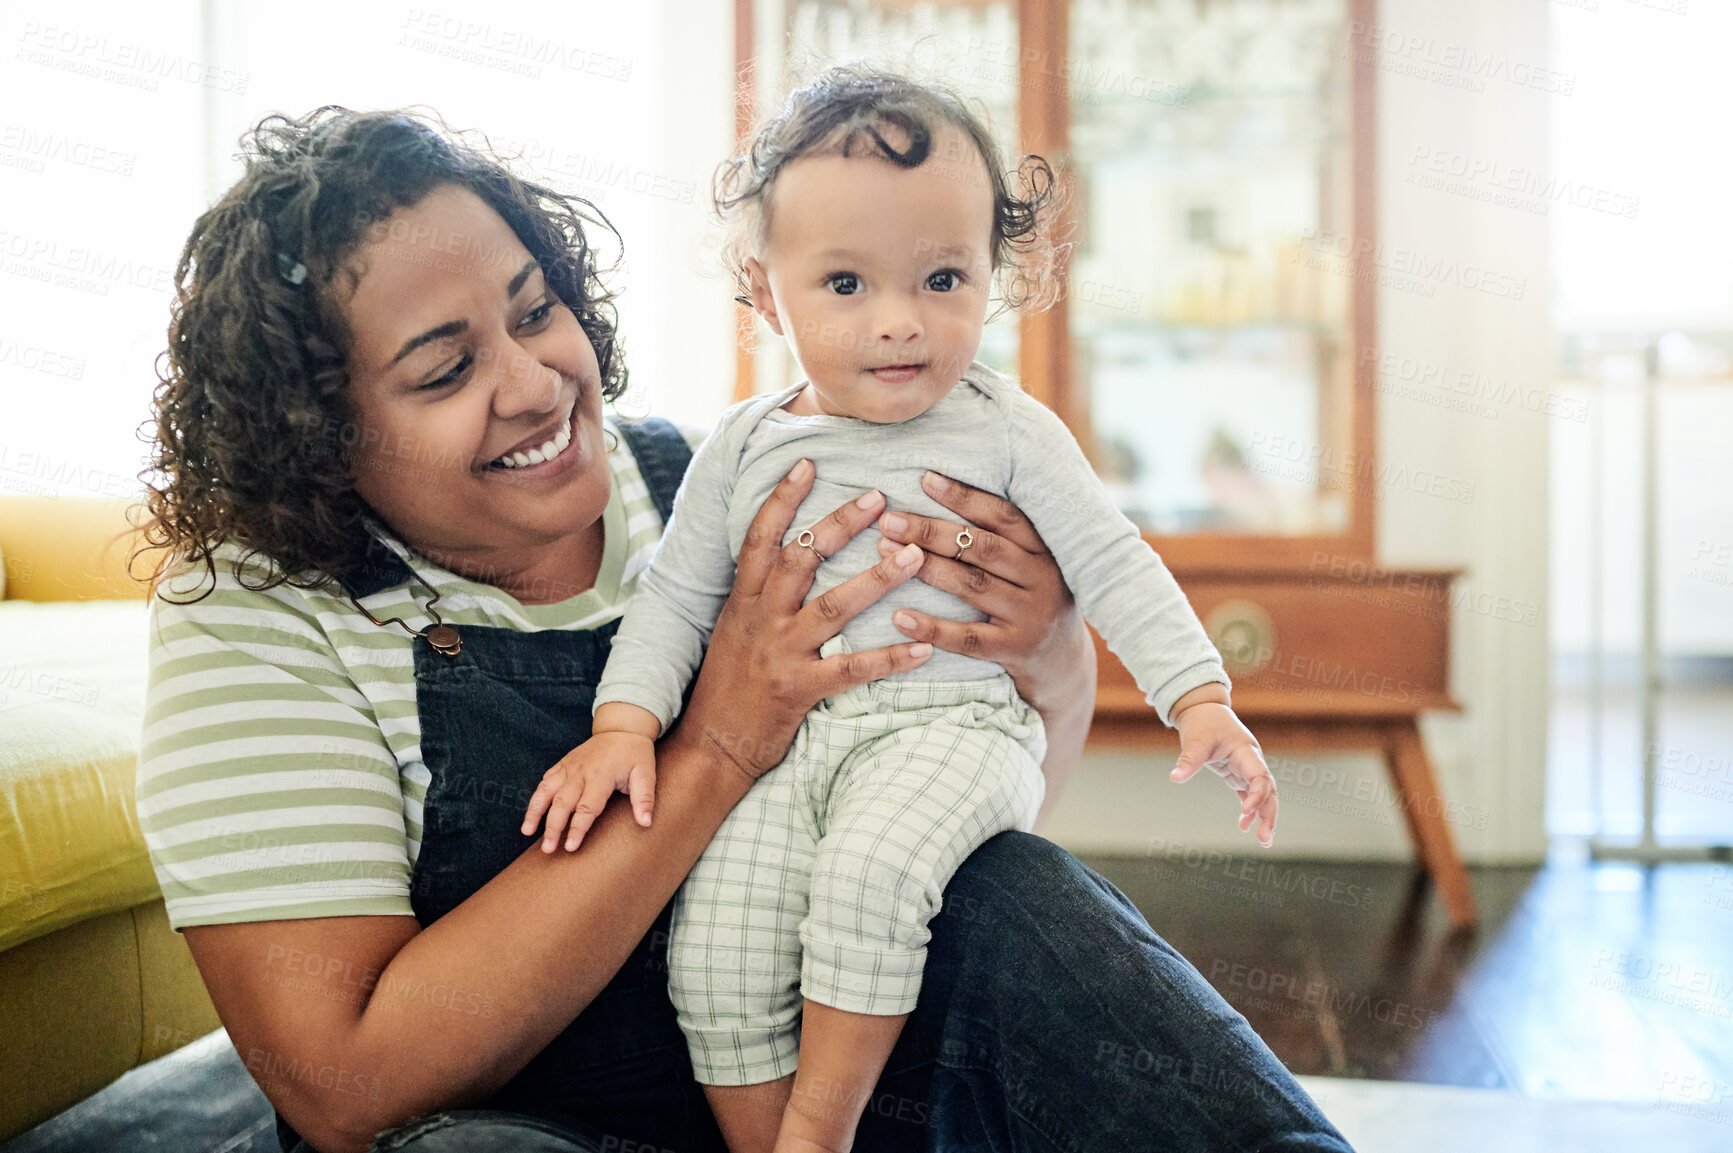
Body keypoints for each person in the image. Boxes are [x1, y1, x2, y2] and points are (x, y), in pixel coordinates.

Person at [134, 104, 1351, 1153]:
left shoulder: (728, 487)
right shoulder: (256, 615)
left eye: (535, 307)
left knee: (1002, 891)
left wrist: (1046, 656)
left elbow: (968, 800)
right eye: (444, 372)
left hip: (816, 1089)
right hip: (508, 1125)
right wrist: (717, 740)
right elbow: (347, 1086)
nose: (536, 382)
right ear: (316, 432)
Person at [519, 68, 1282, 1153]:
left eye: (940, 278)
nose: (897, 324)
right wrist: (622, 726)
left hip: (956, 728)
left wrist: (1197, 696)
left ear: (992, 276)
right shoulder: (740, 447)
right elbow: (678, 600)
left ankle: (816, 1136)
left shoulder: (1007, 430)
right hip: (790, 750)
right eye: (843, 284)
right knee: (715, 946)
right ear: (760, 288)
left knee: (869, 883)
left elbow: (1112, 561)